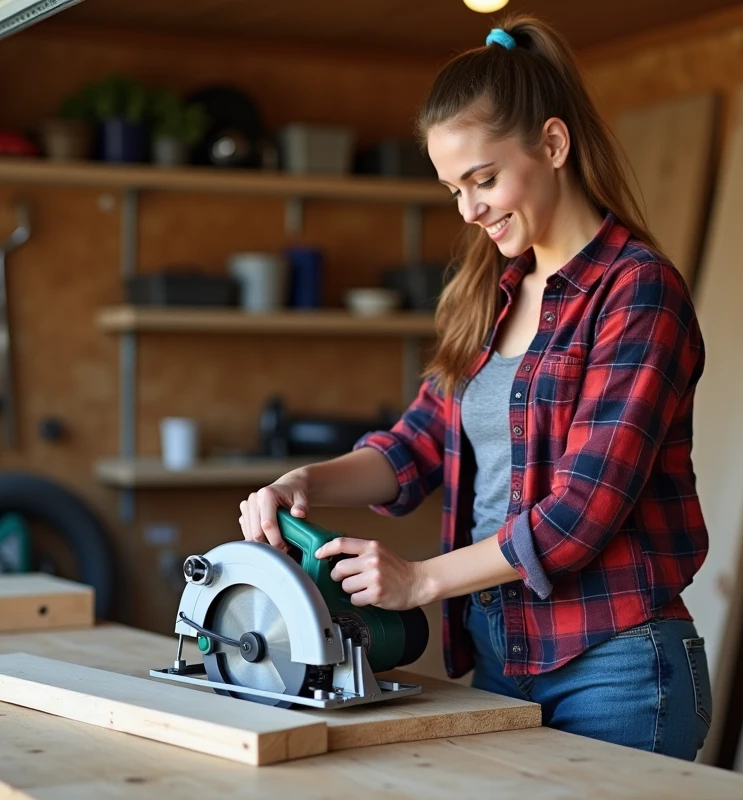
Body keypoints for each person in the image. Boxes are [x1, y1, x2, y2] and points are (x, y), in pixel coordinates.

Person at [238, 15, 712, 760]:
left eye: (484, 180)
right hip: (499, 655)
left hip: (617, 664)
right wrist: (306, 481)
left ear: (553, 146)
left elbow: (583, 513)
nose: (468, 209)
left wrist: (422, 580)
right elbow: (414, 446)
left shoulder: (637, 292)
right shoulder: (490, 294)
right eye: (453, 188)